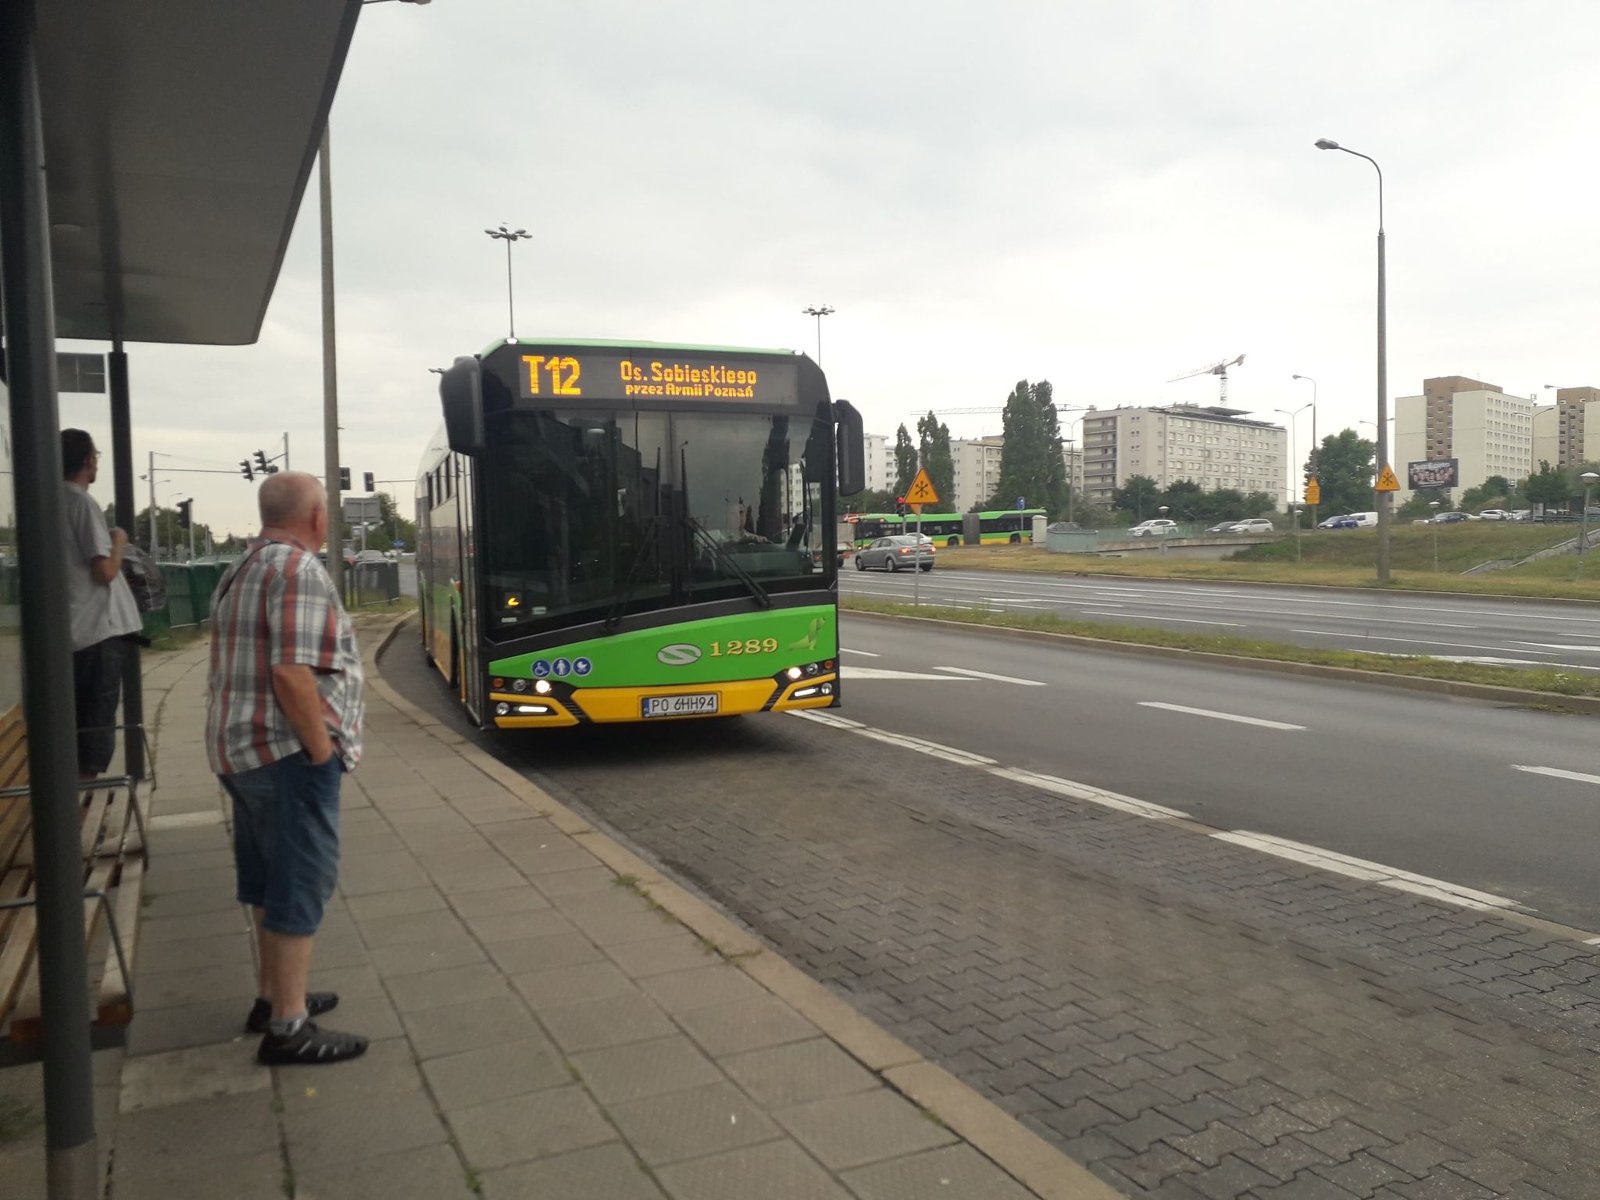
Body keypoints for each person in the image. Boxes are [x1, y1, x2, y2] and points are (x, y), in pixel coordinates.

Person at [206, 471, 368, 1065]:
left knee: (265, 880)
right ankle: (288, 1026)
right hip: (287, 755)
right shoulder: (298, 571)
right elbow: (291, 672)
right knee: (301, 881)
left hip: (241, 751)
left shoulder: (241, 569)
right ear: (318, 517)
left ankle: (271, 995)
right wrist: (322, 752)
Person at [61, 429, 142, 780]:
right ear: (88, 460)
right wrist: (118, 541)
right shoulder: (81, 503)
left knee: (78, 722)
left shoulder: (51, 501)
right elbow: (104, 571)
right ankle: (82, 806)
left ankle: (79, 803)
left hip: (73, 628)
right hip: (96, 631)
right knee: (97, 723)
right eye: (95, 456)